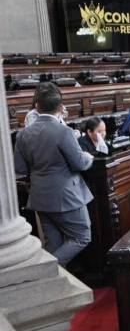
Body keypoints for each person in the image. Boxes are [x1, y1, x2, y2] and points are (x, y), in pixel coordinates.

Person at [14, 83, 94, 266]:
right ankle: (46, 269)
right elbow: (79, 163)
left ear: (37, 106)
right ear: (60, 107)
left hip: (40, 197)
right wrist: (88, 156)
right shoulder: (63, 131)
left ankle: (53, 281)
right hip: (66, 197)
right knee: (82, 237)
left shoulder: (23, 135)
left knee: (53, 243)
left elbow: (20, 169)